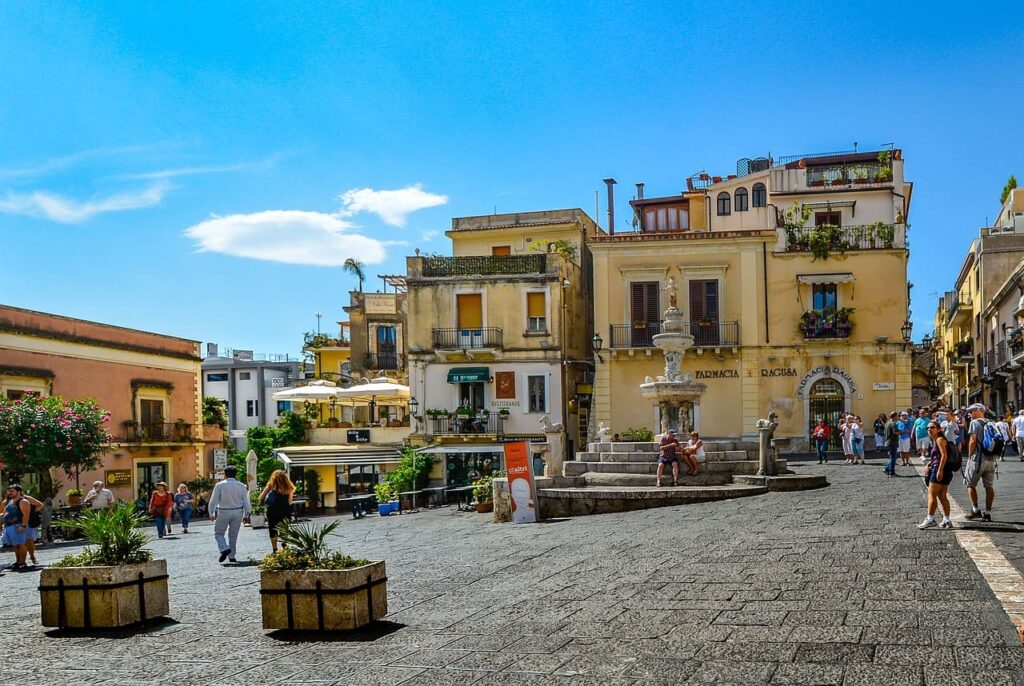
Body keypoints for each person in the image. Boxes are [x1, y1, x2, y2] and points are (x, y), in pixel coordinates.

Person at [208, 465, 251, 563]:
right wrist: (247, 515)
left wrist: (211, 512)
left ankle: (224, 548)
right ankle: (232, 556)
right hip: (237, 511)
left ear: (225, 474)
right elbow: (246, 501)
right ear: (235, 474)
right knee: (233, 535)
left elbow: (213, 500)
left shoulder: (220, 485)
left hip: (223, 511)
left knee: (219, 533)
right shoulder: (242, 486)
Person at [964, 403, 998, 521]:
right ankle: (988, 512)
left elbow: (973, 441)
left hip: (978, 459)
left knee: (970, 484)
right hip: (991, 459)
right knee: (989, 486)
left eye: (971, 411)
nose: (969, 414)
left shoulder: (975, 423)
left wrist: (969, 456)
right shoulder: (991, 422)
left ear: (979, 410)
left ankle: (975, 510)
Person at [918, 420, 954, 529]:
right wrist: (928, 464)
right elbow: (937, 457)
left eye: (932, 427)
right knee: (942, 496)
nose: (929, 430)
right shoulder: (937, 440)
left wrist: (939, 470)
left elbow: (944, 456)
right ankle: (946, 520)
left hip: (940, 469)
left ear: (938, 429)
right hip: (944, 469)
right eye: (928, 428)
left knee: (931, 494)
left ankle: (930, 518)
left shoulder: (939, 440)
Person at [259, 470, 295, 552]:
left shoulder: (270, 486)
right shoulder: (289, 487)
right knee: (284, 529)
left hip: (272, 511)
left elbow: (261, 498)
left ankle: (275, 549)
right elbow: (290, 501)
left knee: (272, 529)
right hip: (285, 510)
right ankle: (284, 546)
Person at [2, 484, 32, 570]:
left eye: (12, 491)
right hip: (9, 526)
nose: (9, 493)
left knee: (21, 544)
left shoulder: (23, 501)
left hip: (18, 525)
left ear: (18, 492)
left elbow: (26, 515)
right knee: (15, 545)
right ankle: (18, 561)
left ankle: (23, 562)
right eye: (9, 491)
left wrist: (23, 525)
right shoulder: (9, 501)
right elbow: (5, 513)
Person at [883, 411, 900, 476]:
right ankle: (891, 472)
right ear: (895, 416)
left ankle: (886, 469)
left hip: (887, 442)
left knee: (891, 457)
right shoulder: (893, 424)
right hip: (892, 442)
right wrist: (902, 432)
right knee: (893, 458)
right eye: (897, 416)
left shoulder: (887, 423)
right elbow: (896, 432)